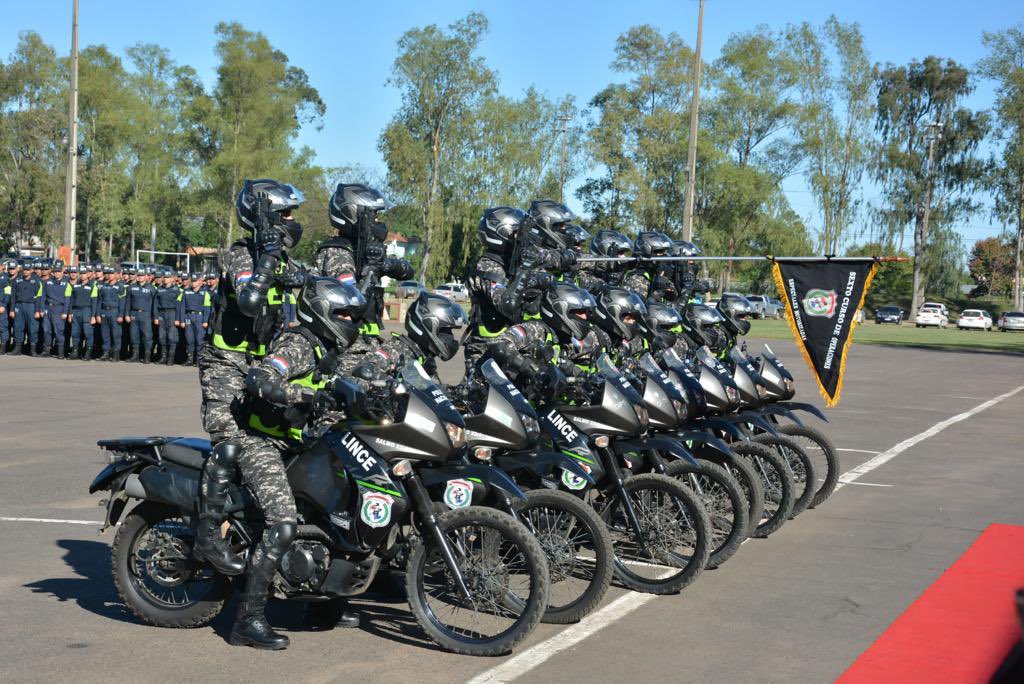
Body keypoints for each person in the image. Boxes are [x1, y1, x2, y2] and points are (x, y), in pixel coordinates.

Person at [226, 277, 368, 649]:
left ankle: (322, 605)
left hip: (296, 442)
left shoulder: (328, 347)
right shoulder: (298, 343)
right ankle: (248, 619)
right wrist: (303, 394)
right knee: (284, 523)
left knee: (335, 509)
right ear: (320, 311)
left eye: (354, 314)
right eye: (343, 313)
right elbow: (261, 378)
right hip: (259, 442)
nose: (350, 320)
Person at [194, 179, 306, 579]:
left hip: (261, 371)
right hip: (226, 369)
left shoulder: (281, 262)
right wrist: (267, 258)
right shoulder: (240, 256)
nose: (294, 223)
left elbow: (310, 287)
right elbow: (248, 300)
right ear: (268, 218)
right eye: (287, 215)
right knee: (230, 443)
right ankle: (207, 534)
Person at [464, 206, 571, 376]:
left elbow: (551, 257)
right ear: (502, 234)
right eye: (519, 234)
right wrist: (526, 269)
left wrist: (566, 258)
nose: (524, 240)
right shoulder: (486, 267)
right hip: (486, 352)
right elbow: (508, 304)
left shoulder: (512, 261)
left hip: (514, 347)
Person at [316, 183, 413, 337]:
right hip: (346, 338)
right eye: (374, 216)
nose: (378, 222)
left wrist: (385, 264)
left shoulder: (368, 249)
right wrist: (371, 270)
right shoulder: (338, 251)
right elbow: (352, 302)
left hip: (368, 337)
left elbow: (407, 271)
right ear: (353, 214)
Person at [486, 283, 601, 392]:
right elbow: (500, 345)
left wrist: (587, 378)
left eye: (585, 312)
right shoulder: (535, 329)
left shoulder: (560, 338)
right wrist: (533, 371)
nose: (585, 316)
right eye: (580, 311)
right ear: (561, 310)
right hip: (494, 397)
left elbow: (564, 364)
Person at [623, 231, 677, 302]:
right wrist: (657, 293)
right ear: (646, 252)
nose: (665, 256)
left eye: (665, 252)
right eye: (660, 252)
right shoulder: (637, 280)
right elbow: (639, 309)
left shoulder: (661, 276)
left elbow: (674, 309)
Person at [10, 260, 43, 355]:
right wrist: (12, 309)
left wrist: (37, 310)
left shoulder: (37, 281)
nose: (26, 271)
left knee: (33, 328)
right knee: (18, 327)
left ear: (31, 270)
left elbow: (39, 297)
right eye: (24, 269)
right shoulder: (17, 280)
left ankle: (32, 350)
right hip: (19, 306)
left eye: (28, 270)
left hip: (31, 306)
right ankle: (17, 349)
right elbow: (13, 296)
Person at [67, 265, 99, 360]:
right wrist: (70, 313)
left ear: (88, 274)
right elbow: (72, 300)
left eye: (84, 273)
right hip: (76, 311)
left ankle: (88, 353)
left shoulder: (93, 286)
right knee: (75, 333)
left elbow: (94, 302)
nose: (82, 275)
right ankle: (75, 352)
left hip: (87, 311)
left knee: (88, 333)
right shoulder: (75, 285)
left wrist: (93, 316)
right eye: (80, 273)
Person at [126, 267, 157, 363]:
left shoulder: (152, 288)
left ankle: (147, 356)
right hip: (134, 313)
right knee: (134, 335)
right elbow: (128, 302)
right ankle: (135, 355)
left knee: (147, 336)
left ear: (147, 277)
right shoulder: (132, 287)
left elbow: (154, 304)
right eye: (138, 275)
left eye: (142, 275)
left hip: (146, 314)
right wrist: (127, 314)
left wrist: (154, 317)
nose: (140, 277)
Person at [97, 266, 127, 362]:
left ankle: (116, 353)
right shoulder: (104, 286)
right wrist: (98, 314)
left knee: (116, 334)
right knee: (105, 334)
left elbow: (122, 302)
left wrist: (120, 315)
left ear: (117, 275)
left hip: (115, 312)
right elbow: (99, 301)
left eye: (112, 273)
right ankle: (106, 352)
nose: (109, 275)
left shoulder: (120, 287)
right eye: (108, 273)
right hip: (104, 311)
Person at [180, 273, 211, 366]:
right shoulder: (186, 292)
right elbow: (182, 307)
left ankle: (198, 360)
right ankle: (190, 359)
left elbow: (207, 308)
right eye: (192, 281)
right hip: (189, 316)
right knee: (189, 339)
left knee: (199, 340)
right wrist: (182, 320)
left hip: (199, 317)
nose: (193, 283)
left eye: (195, 281)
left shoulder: (205, 293)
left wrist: (205, 321)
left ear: (201, 282)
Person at [40, 260, 69, 358]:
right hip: (48, 308)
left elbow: (67, 299)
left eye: (59, 271)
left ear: (62, 271)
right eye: (55, 271)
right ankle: (46, 350)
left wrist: (65, 312)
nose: (57, 273)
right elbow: (43, 296)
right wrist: (42, 309)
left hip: (59, 309)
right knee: (46, 330)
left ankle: (60, 352)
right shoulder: (48, 282)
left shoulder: (67, 283)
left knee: (58, 331)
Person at [155, 272, 182, 365]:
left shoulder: (176, 290)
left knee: (172, 336)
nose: (165, 279)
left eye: (167, 277)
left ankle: (171, 358)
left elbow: (179, 306)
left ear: (172, 279)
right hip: (161, 313)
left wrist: (178, 318)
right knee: (162, 336)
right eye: (164, 277)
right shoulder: (159, 289)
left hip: (172, 313)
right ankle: (163, 357)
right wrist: (156, 317)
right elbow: (155, 304)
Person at [0, 259, 14, 354]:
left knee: (3, 328)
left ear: (1, 267)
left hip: (1, 307)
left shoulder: (6, 278)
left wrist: (3, 305)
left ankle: (3, 348)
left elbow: (8, 293)